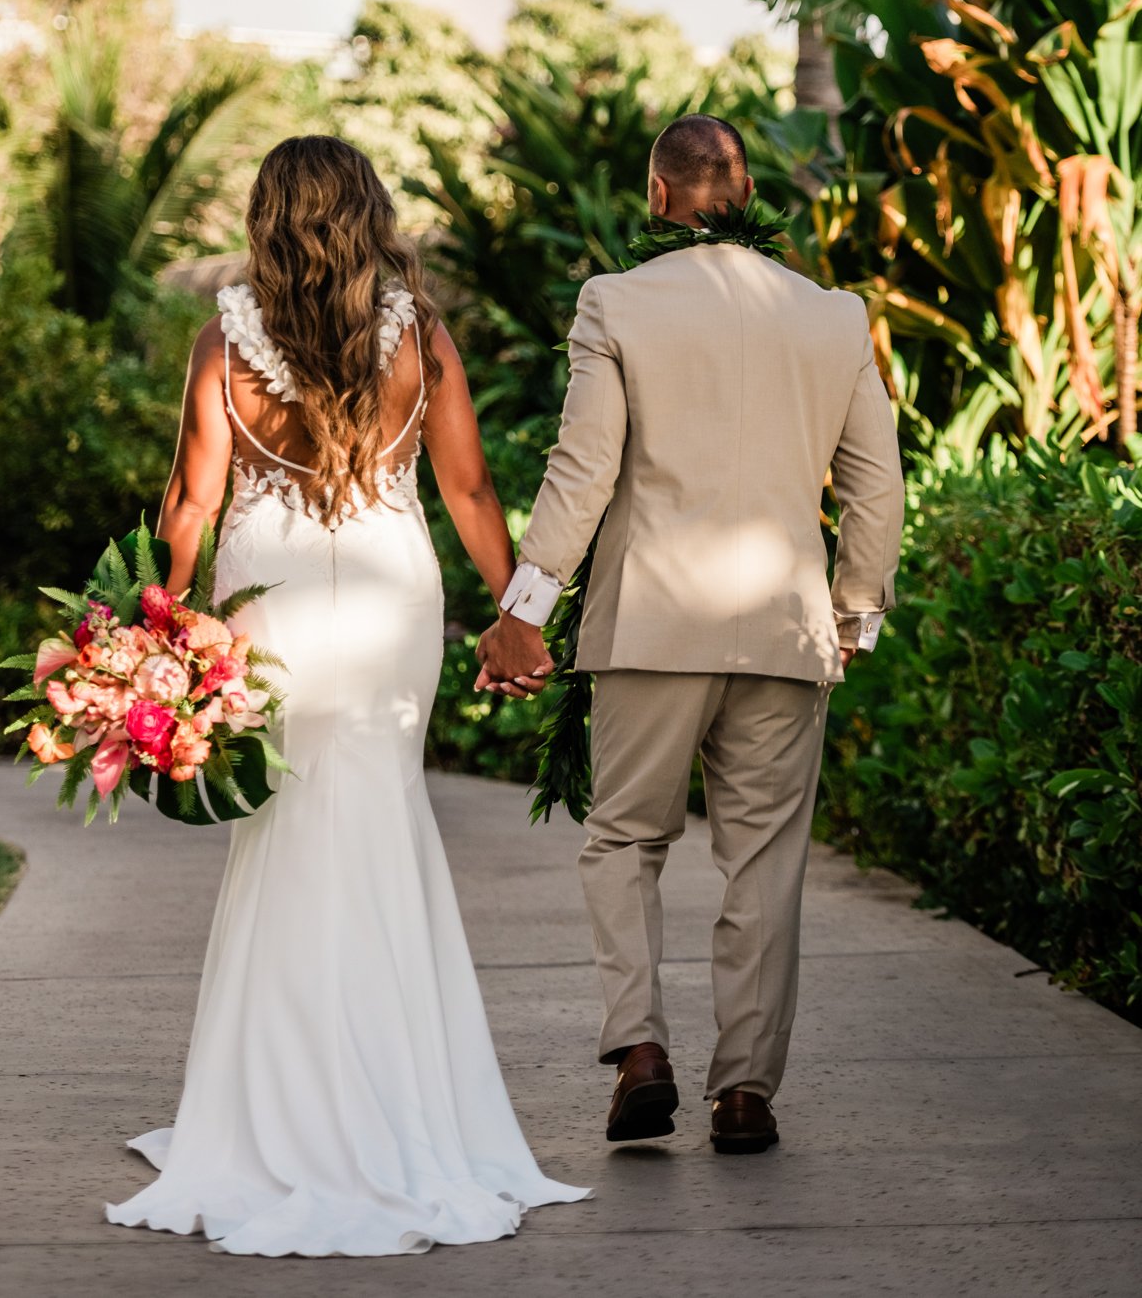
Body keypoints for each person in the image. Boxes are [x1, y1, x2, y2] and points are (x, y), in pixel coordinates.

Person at [106, 135, 585, 1255]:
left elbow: (187, 501)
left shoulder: (223, 341)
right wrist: (515, 615)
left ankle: (273, 1113)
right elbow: (466, 488)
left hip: (263, 600)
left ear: (269, 221)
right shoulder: (418, 334)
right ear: (367, 214)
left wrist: (152, 632)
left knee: (280, 830)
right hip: (389, 600)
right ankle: (404, 1107)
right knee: (375, 819)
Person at [476, 115, 905, 1154]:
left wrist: (521, 613)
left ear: (659, 197)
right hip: (782, 631)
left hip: (650, 624)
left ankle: (639, 1052)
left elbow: (582, 469)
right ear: (743, 191)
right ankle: (745, 1093)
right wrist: (855, 614)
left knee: (623, 840)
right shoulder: (831, 316)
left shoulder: (616, 302)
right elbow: (875, 489)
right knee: (762, 861)